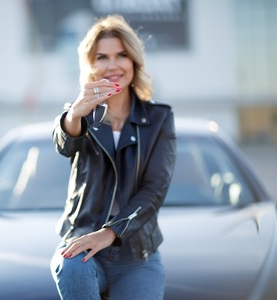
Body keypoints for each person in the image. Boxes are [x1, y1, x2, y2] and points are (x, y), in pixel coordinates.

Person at [50, 15, 177, 300]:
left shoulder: (159, 118)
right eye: (102, 57)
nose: (113, 65)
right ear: (91, 66)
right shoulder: (81, 115)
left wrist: (111, 232)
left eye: (121, 55)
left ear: (134, 61)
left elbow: (155, 189)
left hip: (137, 255)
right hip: (82, 246)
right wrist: (74, 114)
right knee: (71, 267)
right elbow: (65, 145)